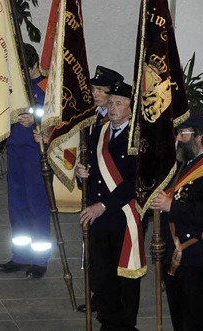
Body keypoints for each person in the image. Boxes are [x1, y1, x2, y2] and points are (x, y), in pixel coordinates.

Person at [151, 113, 203, 331]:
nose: (178, 138)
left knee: (199, 316)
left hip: (196, 252)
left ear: (200, 138)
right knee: (179, 314)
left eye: (182, 134)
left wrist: (171, 206)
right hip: (173, 249)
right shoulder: (185, 163)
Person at [75, 80, 145, 330]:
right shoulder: (100, 132)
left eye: (119, 103)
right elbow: (93, 169)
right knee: (102, 271)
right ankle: (107, 319)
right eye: (111, 102)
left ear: (130, 108)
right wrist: (82, 173)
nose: (113, 107)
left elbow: (135, 182)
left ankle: (125, 324)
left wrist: (103, 205)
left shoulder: (137, 137)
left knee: (125, 273)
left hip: (123, 215)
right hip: (99, 215)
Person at [0, 44, 51, 279]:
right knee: (17, 206)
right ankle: (20, 255)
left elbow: (58, 120)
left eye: (23, 71)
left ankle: (39, 259)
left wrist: (37, 122)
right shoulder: (14, 87)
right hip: (15, 150)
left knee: (36, 206)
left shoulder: (48, 88)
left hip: (35, 153)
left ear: (34, 66)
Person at [77, 65, 125, 313]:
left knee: (115, 259)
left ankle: (111, 303)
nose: (94, 93)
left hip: (116, 206)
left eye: (100, 89)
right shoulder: (94, 117)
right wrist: (80, 172)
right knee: (97, 256)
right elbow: (91, 158)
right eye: (93, 88)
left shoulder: (120, 124)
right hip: (96, 196)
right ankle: (99, 296)